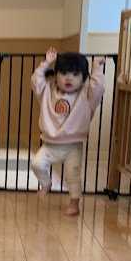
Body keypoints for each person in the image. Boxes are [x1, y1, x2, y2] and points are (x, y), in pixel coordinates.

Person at [31, 47, 106, 217]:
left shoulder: (87, 95)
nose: (69, 78)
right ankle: (47, 183)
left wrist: (97, 67)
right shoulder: (47, 91)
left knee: (73, 174)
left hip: (73, 146)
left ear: (84, 78)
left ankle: (74, 204)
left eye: (75, 74)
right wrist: (46, 63)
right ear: (55, 75)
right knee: (37, 164)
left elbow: (98, 87)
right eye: (63, 73)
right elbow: (35, 81)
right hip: (50, 145)